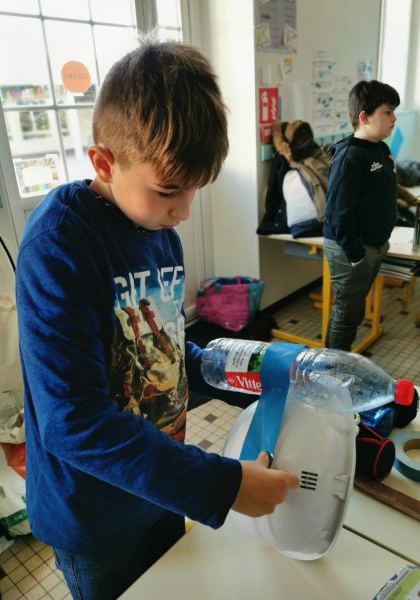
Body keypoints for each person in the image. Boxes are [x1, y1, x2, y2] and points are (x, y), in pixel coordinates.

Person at [16, 37, 299, 599]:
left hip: (160, 487)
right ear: (104, 162)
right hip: (94, 519)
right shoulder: (59, 246)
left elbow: (164, 353)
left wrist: (252, 374)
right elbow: (74, 423)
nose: (184, 211)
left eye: (194, 190)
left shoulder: (156, 227)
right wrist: (221, 486)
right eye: (170, 190)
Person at [323, 79, 400, 351]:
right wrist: (356, 255)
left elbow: (385, 190)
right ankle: (329, 368)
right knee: (347, 315)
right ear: (364, 117)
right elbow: (337, 213)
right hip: (351, 250)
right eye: (387, 112)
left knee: (353, 311)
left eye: (393, 112)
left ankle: (338, 362)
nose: (393, 119)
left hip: (373, 244)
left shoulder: (380, 148)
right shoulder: (349, 157)